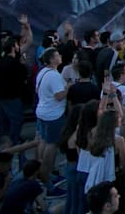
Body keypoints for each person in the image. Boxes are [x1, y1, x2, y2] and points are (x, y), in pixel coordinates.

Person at [35, 47, 68, 186]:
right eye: (57, 55)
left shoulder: (42, 72)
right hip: (53, 115)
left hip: (42, 111)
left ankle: (40, 170)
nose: (60, 56)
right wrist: (69, 87)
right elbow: (59, 96)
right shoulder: (54, 75)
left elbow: (37, 90)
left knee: (43, 140)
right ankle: (46, 175)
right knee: (51, 145)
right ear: (51, 59)